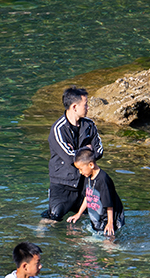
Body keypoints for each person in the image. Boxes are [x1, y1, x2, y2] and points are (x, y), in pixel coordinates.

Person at [43, 87, 104, 221]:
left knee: (96, 217)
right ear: (75, 107)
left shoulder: (89, 125)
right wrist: (87, 148)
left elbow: (99, 151)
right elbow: (70, 158)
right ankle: (40, 235)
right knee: (53, 218)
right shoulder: (58, 129)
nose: (88, 107)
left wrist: (79, 151)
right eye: (86, 104)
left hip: (85, 182)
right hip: (62, 184)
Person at [67, 148, 125, 236]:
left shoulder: (103, 180)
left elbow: (109, 204)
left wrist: (110, 223)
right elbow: (87, 196)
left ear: (91, 165)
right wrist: (79, 213)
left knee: (108, 243)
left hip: (109, 217)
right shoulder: (88, 177)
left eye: (81, 169)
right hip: (98, 216)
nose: (80, 172)